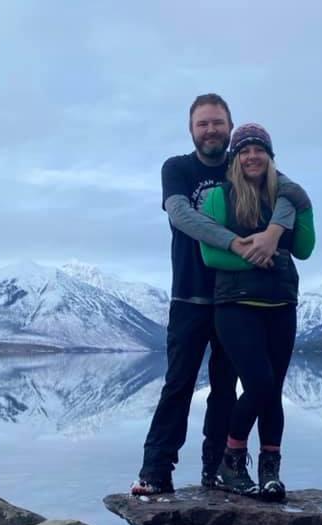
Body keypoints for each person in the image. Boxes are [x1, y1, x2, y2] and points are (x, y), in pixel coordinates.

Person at [131, 94, 311, 496]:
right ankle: (154, 471)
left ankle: (215, 471)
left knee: (227, 390)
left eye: (217, 123)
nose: (210, 129)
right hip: (191, 296)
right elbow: (181, 215)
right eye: (202, 124)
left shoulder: (243, 169)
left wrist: (273, 232)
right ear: (191, 130)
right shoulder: (177, 168)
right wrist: (237, 244)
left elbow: (290, 191)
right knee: (178, 384)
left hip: (237, 302)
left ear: (229, 128)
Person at [200, 123, 315, 501]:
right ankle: (231, 462)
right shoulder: (218, 197)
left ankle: (270, 472)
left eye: (259, 150)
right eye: (245, 150)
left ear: (269, 156)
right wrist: (260, 255)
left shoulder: (286, 198)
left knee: (273, 392)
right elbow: (211, 253)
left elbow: (305, 248)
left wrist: (304, 206)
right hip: (234, 306)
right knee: (260, 384)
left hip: (281, 303)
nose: (252, 156)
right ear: (235, 157)